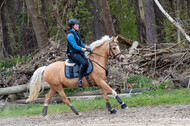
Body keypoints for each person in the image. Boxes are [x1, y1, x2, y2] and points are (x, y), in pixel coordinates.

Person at [67, 18, 91, 88]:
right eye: (76, 25)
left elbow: (81, 43)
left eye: (78, 24)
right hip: (73, 53)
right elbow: (75, 46)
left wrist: (88, 47)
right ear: (72, 26)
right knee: (83, 63)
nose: (78, 26)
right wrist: (84, 49)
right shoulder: (70, 35)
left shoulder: (76, 33)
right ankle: (79, 80)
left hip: (78, 52)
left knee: (87, 61)